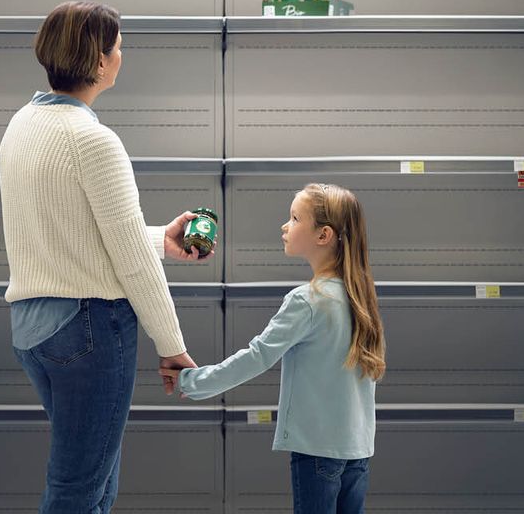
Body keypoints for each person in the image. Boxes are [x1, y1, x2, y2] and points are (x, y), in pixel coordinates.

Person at [0, 0, 210, 513]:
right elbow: (130, 263)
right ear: (97, 60)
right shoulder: (93, 140)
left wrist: (161, 238)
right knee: (80, 488)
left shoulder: (21, 125)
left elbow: (68, 231)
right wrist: (171, 343)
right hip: (88, 329)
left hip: (34, 327)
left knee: (95, 479)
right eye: (117, 47)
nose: (122, 54)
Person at [164, 183, 385, 514]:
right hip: (358, 451)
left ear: (323, 235)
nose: (285, 226)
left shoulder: (308, 300)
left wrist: (192, 382)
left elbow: (257, 357)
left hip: (317, 453)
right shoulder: (360, 296)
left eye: (295, 218)